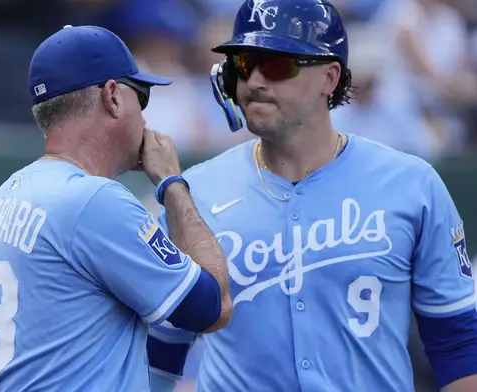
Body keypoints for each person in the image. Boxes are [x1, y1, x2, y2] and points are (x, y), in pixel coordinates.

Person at [146, 1, 477, 391]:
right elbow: (162, 350)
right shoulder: (193, 193)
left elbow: (456, 341)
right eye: (243, 65)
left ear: (329, 78)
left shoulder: (412, 184)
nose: (254, 82)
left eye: (276, 65)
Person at [0, 25, 232, 392]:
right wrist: (171, 184)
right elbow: (211, 307)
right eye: (141, 97)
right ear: (113, 96)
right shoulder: (94, 201)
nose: (145, 119)